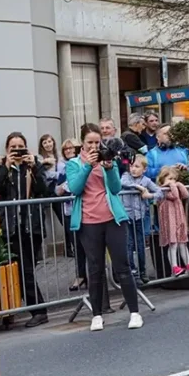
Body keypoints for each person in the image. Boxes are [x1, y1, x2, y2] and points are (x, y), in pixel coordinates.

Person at [66, 123, 143, 332]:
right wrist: (88, 166)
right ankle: (97, 315)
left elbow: (116, 188)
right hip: (88, 222)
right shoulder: (74, 163)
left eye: (96, 142)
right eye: (89, 142)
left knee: (122, 266)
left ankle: (135, 312)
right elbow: (74, 188)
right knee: (95, 268)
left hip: (112, 218)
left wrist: (109, 169)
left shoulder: (108, 158)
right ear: (82, 143)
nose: (93, 147)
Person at [0, 133, 52, 328]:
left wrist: (35, 166)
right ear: (7, 149)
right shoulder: (3, 167)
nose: (17, 150)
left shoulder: (33, 166)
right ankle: (37, 310)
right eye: (13, 147)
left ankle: (36, 310)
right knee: (21, 270)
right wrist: (6, 166)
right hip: (12, 226)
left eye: (20, 147)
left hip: (31, 226)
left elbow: (43, 189)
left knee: (26, 269)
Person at [120, 155, 163, 285]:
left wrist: (149, 195)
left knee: (140, 245)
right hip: (127, 216)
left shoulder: (147, 180)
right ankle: (132, 270)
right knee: (129, 244)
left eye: (137, 167)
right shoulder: (126, 176)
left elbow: (159, 192)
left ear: (144, 169)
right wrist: (138, 187)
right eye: (132, 166)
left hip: (140, 216)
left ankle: (142, 271)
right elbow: (123, 183)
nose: (133, 169)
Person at [156, 167, 189, 276]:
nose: (172, 181)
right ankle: (174, 266)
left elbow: (185, 195)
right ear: (162, 179)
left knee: (182, 242)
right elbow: (174, 195)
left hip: (178, 218)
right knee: (173, 243)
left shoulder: (173, 186)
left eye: (174, 179)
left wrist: (179, 184)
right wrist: (173, 186)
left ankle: (188, 264)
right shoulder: (162, 190)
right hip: (169, 220)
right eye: (170, 178)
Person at [56, 138, 84, 277]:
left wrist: (68, 185)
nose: (68, 151)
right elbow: (58, 190)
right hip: (69, 210)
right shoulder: (62, 168)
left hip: (85, 209)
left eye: (71, 148)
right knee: (76, 244)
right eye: (65, 149)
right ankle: (81, 275)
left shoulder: (82, 164)